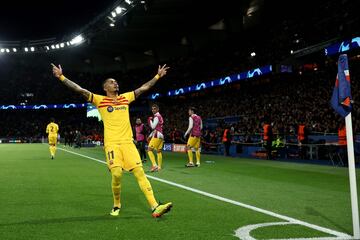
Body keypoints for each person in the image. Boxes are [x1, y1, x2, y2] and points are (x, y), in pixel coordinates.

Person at [51, 63, 172, 218]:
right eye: (111, 82)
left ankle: (155, 206)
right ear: (105, 88)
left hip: (128, 143)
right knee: (116, 174)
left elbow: (143, 88)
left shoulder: (125, 98)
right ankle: (116, 204)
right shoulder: (100, 100)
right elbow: (79, 89)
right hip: (112, 144)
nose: (115, 83)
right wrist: (61, 76)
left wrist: (157, 76)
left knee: (140, 172)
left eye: (116, 81)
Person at [147, 104, 164, 172]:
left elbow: (153, 127)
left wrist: (150, 120)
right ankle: (159, 166)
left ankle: (154, 165)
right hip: (161, 134)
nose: (153, 110)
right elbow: (157, 128)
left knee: (149, 150)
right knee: (159, 151)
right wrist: (150, 135)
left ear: (157, 109)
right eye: (152, 109)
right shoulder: (160, 116)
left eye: (154, 109)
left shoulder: (156, 116)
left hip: (157, 134)